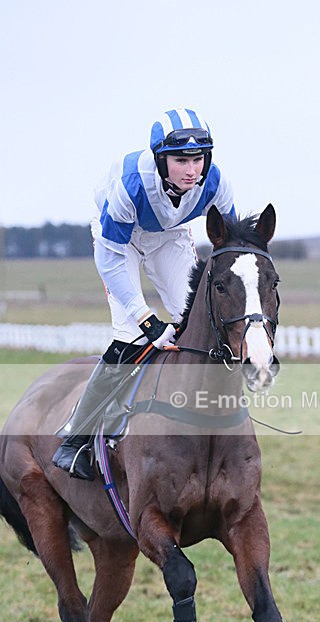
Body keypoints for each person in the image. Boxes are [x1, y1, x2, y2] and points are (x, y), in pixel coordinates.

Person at [53, 107, 235, 480]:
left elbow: (231, 245)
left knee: (199, 317)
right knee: (132, 334)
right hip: (120, 242)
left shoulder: (216, 183)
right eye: (181, 160)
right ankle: (76, 437)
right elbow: (111, 261)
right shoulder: (131, 184)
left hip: (171, 237)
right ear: (160, 159)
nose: (192, 169)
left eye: (198, 159)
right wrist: (146, 319)